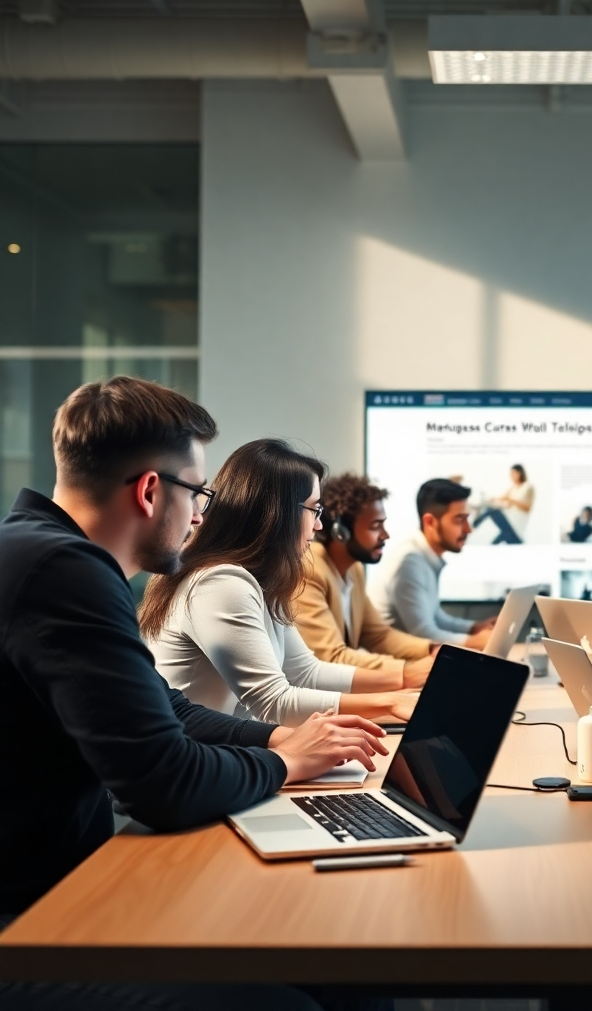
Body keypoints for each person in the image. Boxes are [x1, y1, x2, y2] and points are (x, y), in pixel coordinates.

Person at [0, 377, 386, 1011]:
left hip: (64, 886)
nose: (204, 512)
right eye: (198, 491)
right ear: (152, 491)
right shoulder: (60, 572)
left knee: (341, 965)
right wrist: (285, 763)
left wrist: (276, 737)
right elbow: (164, 784)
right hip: (31, 916)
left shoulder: (48, 556)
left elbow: (169, 709)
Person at [143, 440, 416, 726]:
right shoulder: (221, 583)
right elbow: (273, 702)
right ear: (279, 512)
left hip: (221, 750)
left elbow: (306, 673)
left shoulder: (258, 580)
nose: (319, 525)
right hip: (195, 757)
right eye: (314, 509)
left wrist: (403, 687)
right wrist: (391, 700)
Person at [293, 473, 434, 689]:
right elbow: (330, 657)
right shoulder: (309, 570)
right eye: (375, 526)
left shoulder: (353, 569)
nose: (385, 535)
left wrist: (432, 651)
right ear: (341, 532)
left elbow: (378, 636)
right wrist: (407, 672)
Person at [368, 479, 494, 647]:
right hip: (395, 665)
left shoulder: (421, 555)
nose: (468, 529)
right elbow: (424, 634)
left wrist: (474, 628)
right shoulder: (409, 562)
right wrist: (474, 642)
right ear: (430, 522)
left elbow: (435, 617)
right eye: (459, 519)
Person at [471, 464, 534, 544]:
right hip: (510, 523)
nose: (511, 476)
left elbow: (527, 508)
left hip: (516, 526)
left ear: (519, 473)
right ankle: (474, 520)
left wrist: (511, 500)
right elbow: (503, 498)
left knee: (492, 510)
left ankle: (473, 525)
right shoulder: (513, 487)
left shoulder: (528, 487)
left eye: (512, 473)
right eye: (510, 474)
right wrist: (493, 499)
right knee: (494, 543)